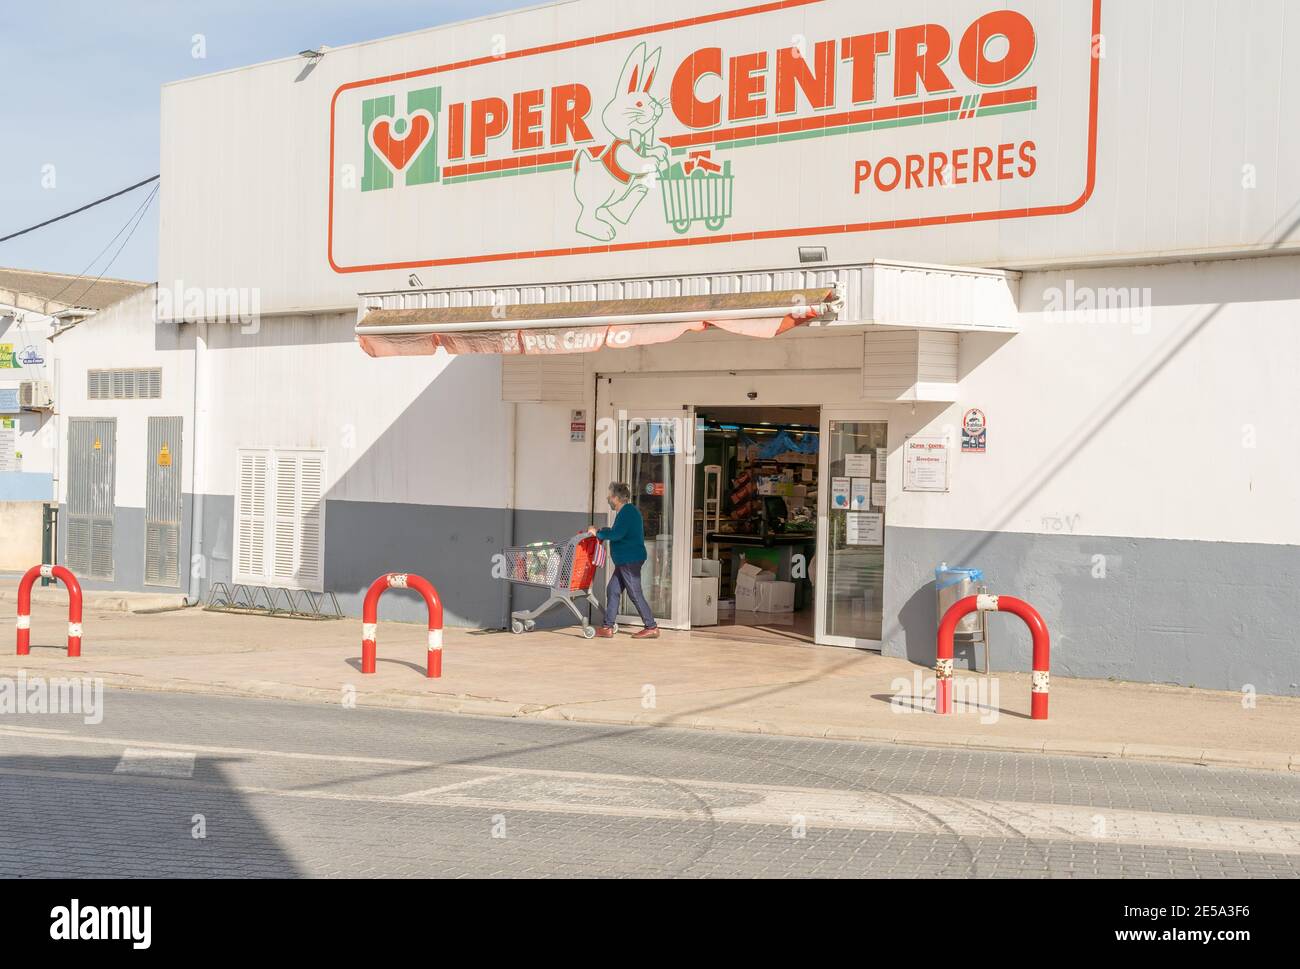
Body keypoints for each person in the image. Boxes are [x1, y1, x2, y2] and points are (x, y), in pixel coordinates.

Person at [588, 482, 659, 639]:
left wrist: (597, 534)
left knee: (634, 592)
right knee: (613, 589)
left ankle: (651, 626)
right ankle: (607, 627)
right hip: (625, 560)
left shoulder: (627, 512)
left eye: (609, 495)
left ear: (616, 498)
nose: (608, 498)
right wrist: (601, 531)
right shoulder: (627, 511)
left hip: (629, 559)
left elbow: (617, 534)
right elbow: (616, 532)